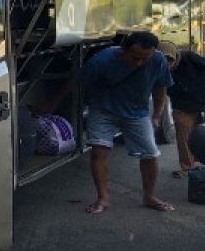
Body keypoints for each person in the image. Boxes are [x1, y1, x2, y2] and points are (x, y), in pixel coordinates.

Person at [39, 31, 175, 214]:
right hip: (103, 109)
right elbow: (75, 82)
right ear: (123, 50)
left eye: (145, 59)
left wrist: (157, 114)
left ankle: (149, 196)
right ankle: (102, 198)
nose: (139, 63)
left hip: (137, 112)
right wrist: (52, 104)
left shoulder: (158, 60)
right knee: (98, 152)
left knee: (150, 154)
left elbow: (161, 87)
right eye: (135, 58)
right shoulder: (102, 60)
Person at [159, 40, 205, 178]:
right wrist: (156, 114)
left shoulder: (189, 58)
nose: (168, 64)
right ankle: (187, 167)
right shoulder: (156, 68)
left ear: (176, 56)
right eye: (163, 60)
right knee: (183, 131)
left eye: (170, 59)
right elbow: (159, 91)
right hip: (184, 103)